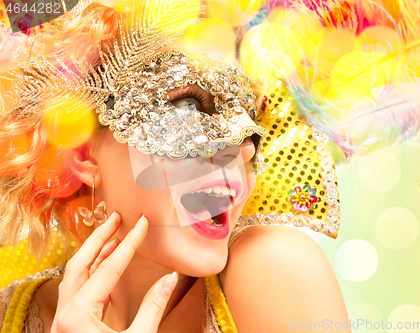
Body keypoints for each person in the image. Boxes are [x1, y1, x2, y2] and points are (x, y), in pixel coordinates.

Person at [0, 1, 350, 332]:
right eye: (188, 110)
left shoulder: (276, 270)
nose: (240, 146)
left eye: (248, 118)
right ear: (84, 156)